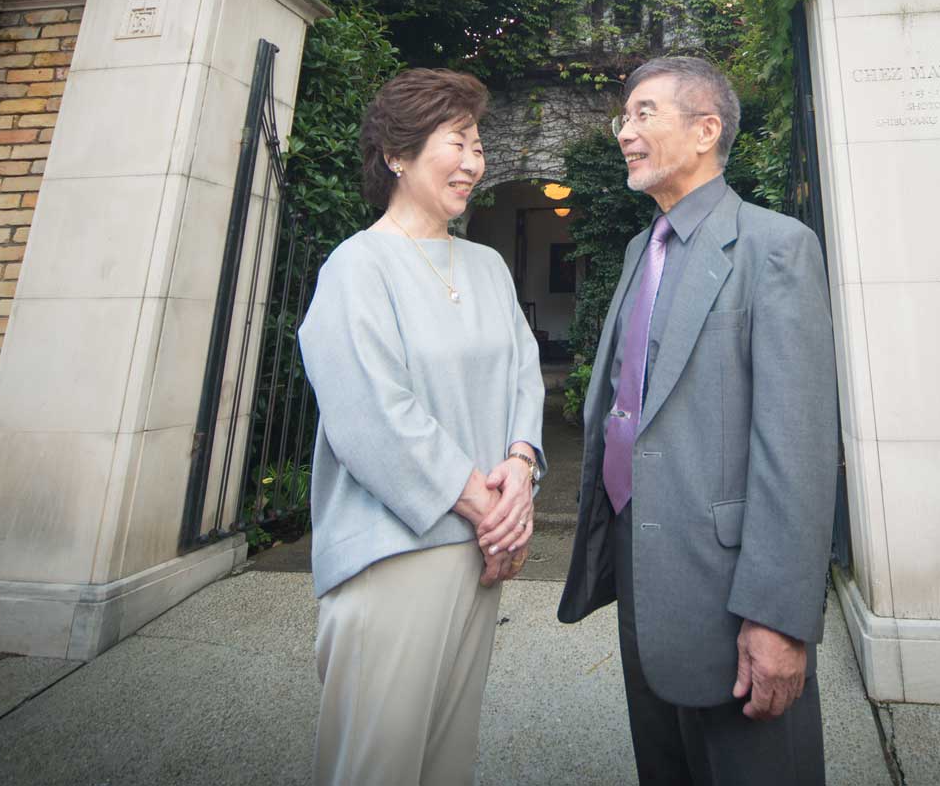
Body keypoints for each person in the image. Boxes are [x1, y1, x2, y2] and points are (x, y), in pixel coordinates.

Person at [559, 55, 839, 784]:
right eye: (624, 117)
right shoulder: (638, 249)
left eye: (644, 113)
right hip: (640, 573)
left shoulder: (775, 247)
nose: (625, 131)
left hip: (732, 592)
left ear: (706, 130)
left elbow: (798, 449)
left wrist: (777, 617)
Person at [297, 68, 546, 786]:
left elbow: (523, 376)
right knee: (375, 768)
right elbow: (373, 414)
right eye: (457, 142)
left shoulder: (488, 266)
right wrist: (491, 511)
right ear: (396, 155)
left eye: (479, 145)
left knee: (446, 764)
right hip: (393, 557)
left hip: (479, 556)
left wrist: (522, 468)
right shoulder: (357, 266)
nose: (474, 161)